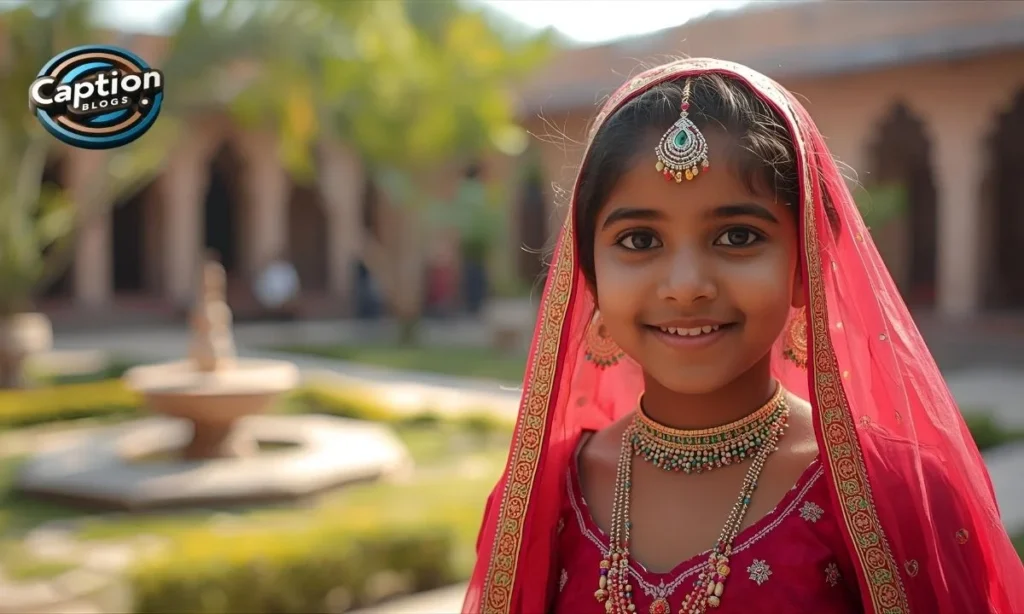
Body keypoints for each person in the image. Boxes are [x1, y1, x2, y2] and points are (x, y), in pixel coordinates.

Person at [463, 58, 1024, 614]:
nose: (686, 287)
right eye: (639, 241)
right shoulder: (540, 496)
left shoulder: (894, 494)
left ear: (804, 266)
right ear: (589, 278)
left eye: (736, 236)